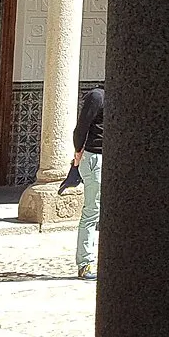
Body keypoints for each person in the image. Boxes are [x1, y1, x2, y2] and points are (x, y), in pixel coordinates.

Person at [72, 85, 104, 280]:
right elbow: (81, 127)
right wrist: (78, 152)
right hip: (95, 158)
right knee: (92, 211)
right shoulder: (96, 96)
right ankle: (85, 263)